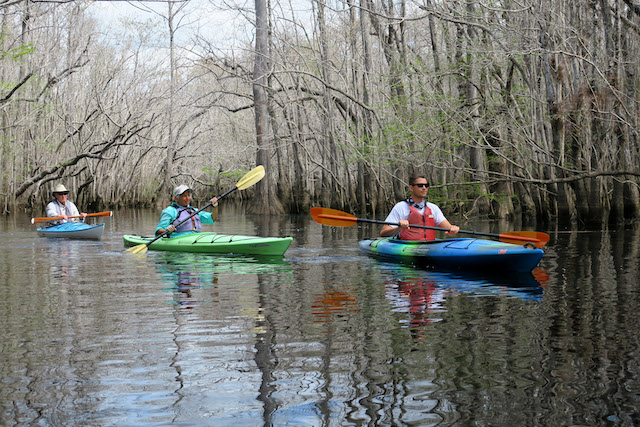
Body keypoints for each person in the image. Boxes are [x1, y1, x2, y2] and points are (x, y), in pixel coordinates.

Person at [380, 174, 460, 240]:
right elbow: (383, 233)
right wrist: (398, 228)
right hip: (407, 246)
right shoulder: (401, 207)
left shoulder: (433, 208)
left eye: (426, 185)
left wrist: (453, 229)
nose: (424, 188)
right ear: (411, 188)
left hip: (429, 246)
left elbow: (448, 229)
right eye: (420, 185)